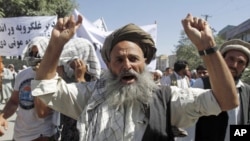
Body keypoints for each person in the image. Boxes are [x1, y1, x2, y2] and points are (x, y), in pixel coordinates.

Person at [29, 14, 238, 141]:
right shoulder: (90, 96)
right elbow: (46, 88)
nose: (126, 65)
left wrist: (207, 47)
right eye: (118, 60)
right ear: (109, 66)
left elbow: (226, 100)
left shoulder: (168, 100)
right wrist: (56, 45)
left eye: (133, 58)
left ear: (145, 62)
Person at [0, 36, 59, 141]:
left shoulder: (53, 77)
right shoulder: (23, 74)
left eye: (37, 54)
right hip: (19, 135)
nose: (33, 57)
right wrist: (3, 116)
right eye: (32, 53)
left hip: (41, 135)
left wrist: (40, 77)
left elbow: (42, 113)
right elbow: (14, 101)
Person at [191, 39, 250, 141]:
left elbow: (243, 124)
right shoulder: (202, 84)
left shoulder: (246, 90)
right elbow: (190, 125)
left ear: (244, 67)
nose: (234, 65)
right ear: (221, 60)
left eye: (241, 62)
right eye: (231, 59)